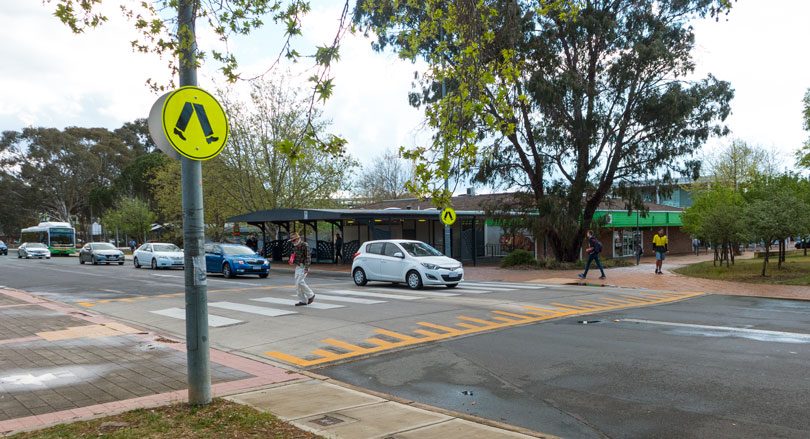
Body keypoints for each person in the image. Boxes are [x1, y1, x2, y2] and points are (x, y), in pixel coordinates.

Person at [289, 232, 315, 306]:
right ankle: (303, 300)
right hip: (298, 266)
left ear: (297, 239)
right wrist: (291, 260)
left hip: (304, 266)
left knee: (300, 282)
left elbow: (308, 257)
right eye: (292, 241)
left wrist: (307, 267)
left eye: (294, 240)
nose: (293, 242)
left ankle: (311, 295)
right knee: (297, 285)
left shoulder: (304, 245)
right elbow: (293, 255)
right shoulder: (294, 246)